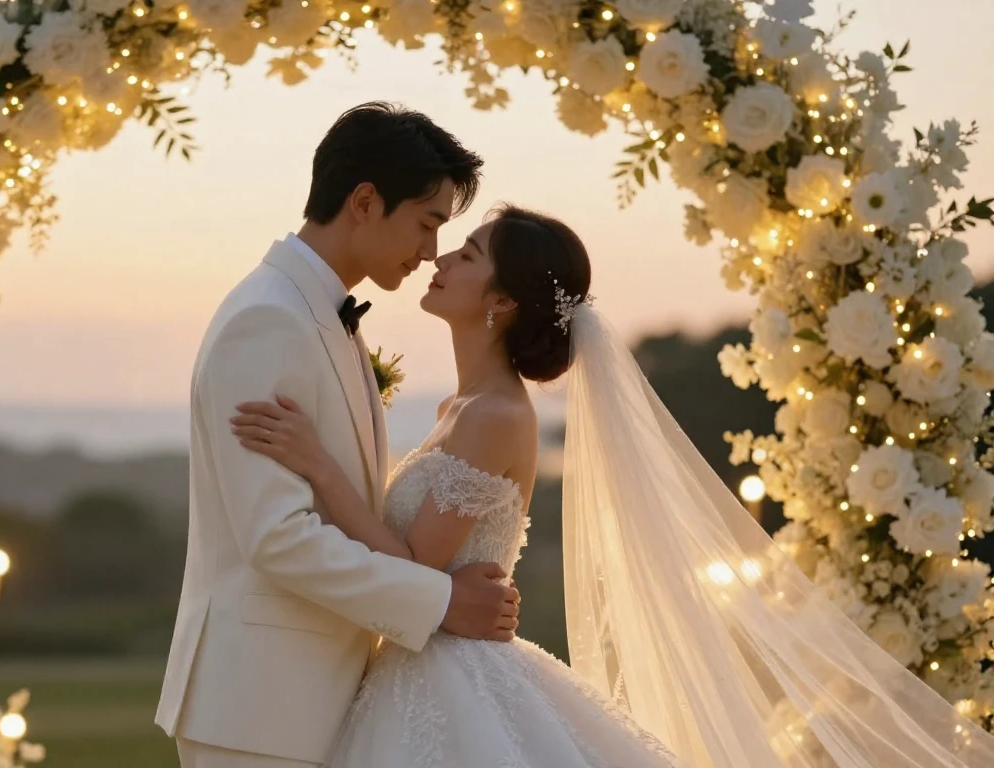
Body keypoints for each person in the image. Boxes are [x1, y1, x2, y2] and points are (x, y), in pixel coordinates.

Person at [232, 205, 994, 767]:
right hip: (414, 669)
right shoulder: (457, 408)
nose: (442, 259)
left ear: (500, 301)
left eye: (466, 253)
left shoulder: (497, 416)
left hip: (449, 682)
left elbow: (411, 567)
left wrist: (316, 464)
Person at [155, 102, 520, 768]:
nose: (430, 251)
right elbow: (277, 536)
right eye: (427, 222)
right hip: (260, 710)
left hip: (315, 702)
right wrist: (440, 602)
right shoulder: (266, 320)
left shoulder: (321, 317)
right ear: (363, 201)